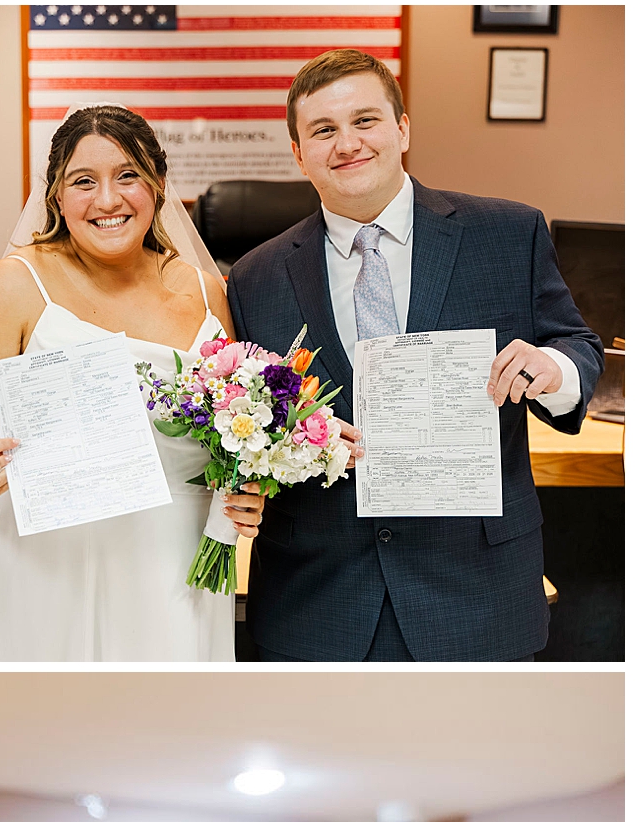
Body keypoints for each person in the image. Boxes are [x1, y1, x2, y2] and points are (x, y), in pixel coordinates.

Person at [228, 49, 603, 661]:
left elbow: (578, 348)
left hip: (475, 587)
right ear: (298, 152)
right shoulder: (254, 276)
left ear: (402, 129)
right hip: (318, 599)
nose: (347, 142)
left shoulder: (507, 234)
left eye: (365, 121)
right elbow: (249, 420)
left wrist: (552, 370)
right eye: (323, 130)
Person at [0, 105, 266, 662]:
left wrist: (247, 492)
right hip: (40, 563)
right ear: (55, 197)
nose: (107, 200)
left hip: (174, 565)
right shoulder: (12, 287)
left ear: (158, 186)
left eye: (127, 175)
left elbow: (229, 436)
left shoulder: (209, 293)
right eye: (82, 181)